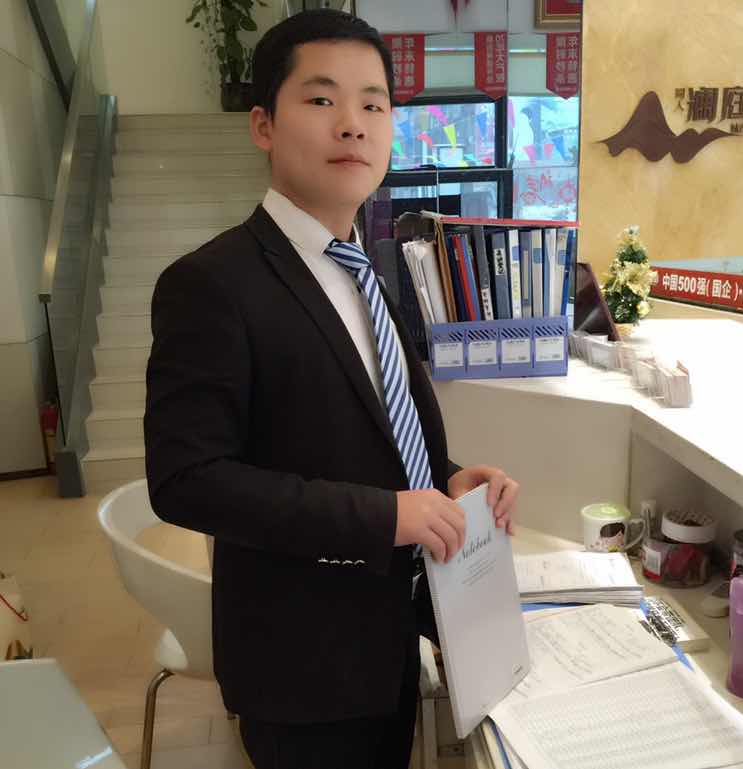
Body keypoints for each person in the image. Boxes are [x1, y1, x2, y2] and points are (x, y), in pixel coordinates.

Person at [144, 9, 519, 769]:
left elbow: (366, 431)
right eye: (321, 99)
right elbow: (187, 481)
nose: (353, 123)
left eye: (374, 104)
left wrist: (446, 480)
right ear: (263, 124)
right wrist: (385, 515)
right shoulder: (210, 284)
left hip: (394, 633)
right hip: (303, 665)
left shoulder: (365, 269)